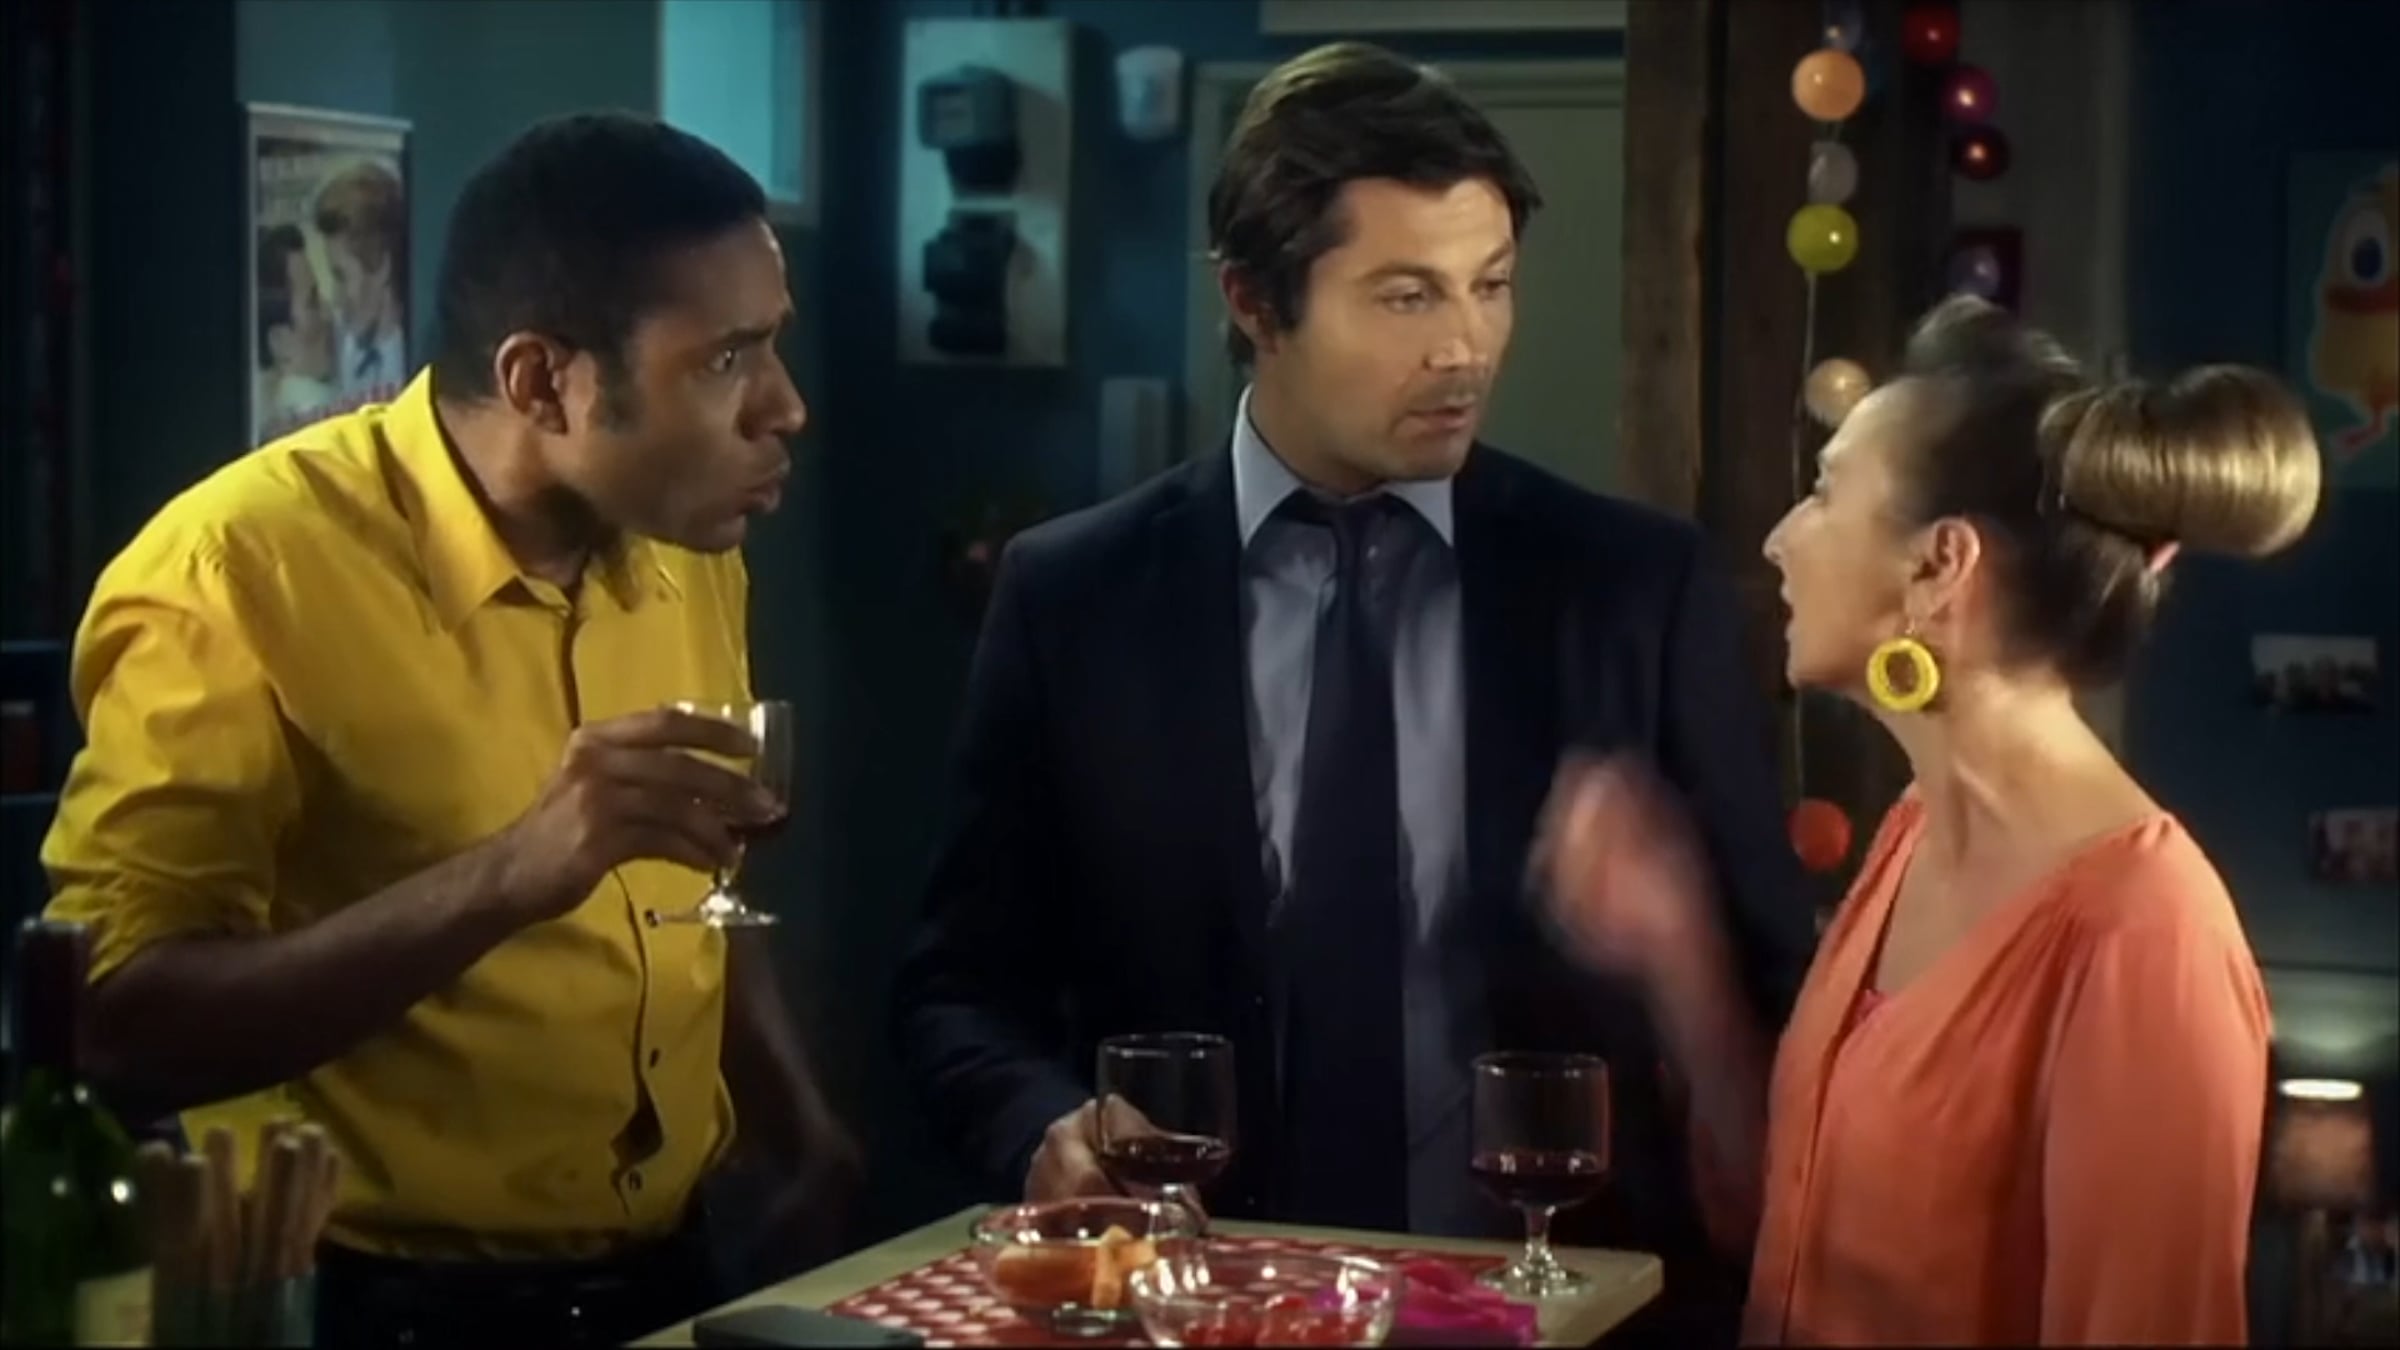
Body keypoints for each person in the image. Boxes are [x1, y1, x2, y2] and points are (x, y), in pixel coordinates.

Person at [892, 40, 1810, 1342]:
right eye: (1406, 296)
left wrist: (1681, 959)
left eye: (1491, 286)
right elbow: (956, 992)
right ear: (1253, 300)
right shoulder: (1072, 598)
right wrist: (1046, 1127)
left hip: (1562, 1312)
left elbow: (1783, 1001)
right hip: (1205, 1309)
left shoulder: (1631, 587)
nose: (1465, 348)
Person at [42, 112, 854, 1349]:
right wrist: (516, 872)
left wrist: (793, 1118)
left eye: (773, 342)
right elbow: (111, 1026)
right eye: (727, 360)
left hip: (673, 1273)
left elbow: (692, 883)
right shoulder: (237, 574)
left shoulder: (687, 546)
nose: (786, 407)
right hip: (368, 1307)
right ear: (542, 382)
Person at [1541, 294, 2321, 1345]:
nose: (1778, 540)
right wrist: (1677, 952)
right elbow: (1782, 1226)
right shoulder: (1912, 831)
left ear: (1939, 566)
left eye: (1825, 493)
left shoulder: (2145, 937)